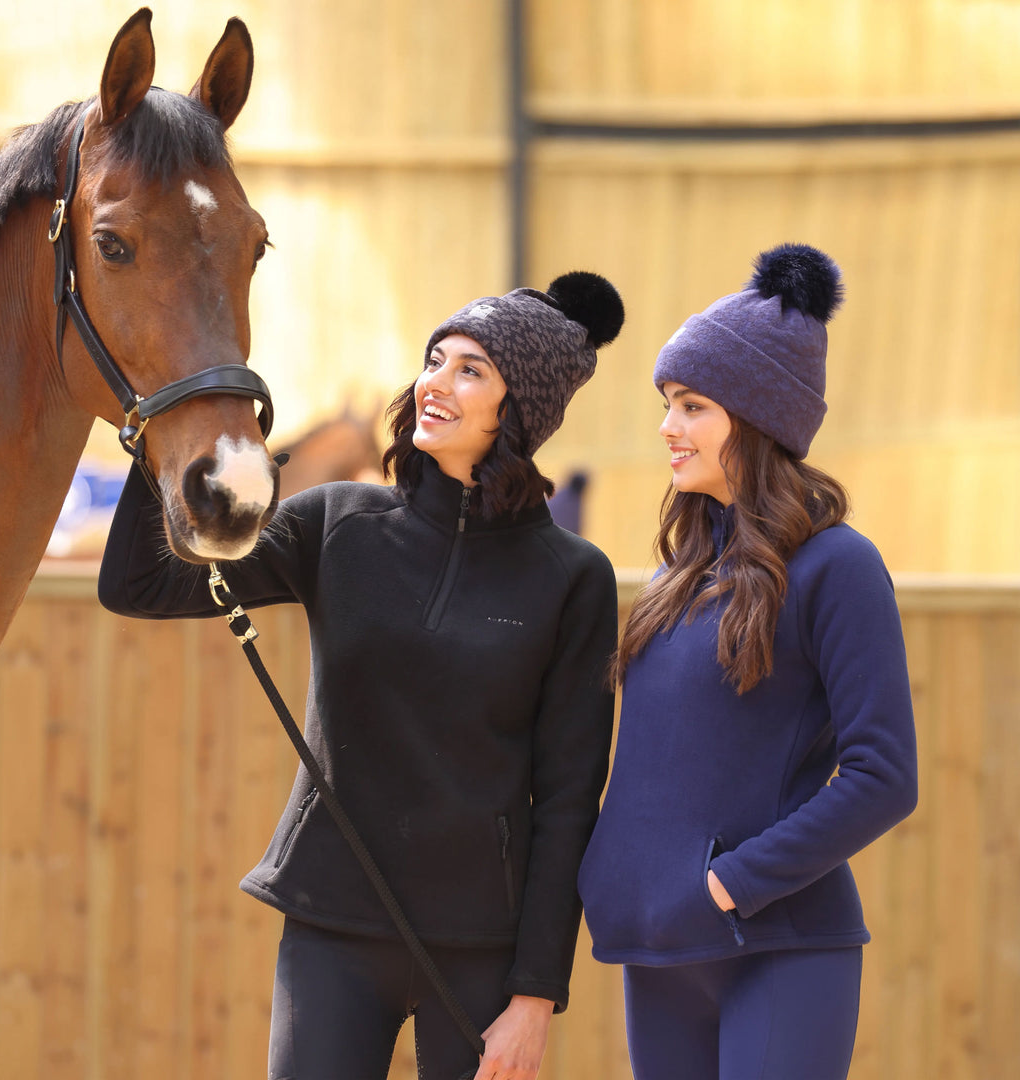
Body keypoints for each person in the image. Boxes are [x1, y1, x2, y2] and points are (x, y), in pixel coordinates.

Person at [98, 271, 624, 1080]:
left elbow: (566, 800)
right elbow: (144, 586)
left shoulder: (572, 577)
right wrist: (160, 434)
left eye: (470, 370)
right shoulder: (337, 523)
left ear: (517, 411)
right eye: (435, 359)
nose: (435, 383)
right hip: (330, 926)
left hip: (481, 947)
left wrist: (535, 998)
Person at [577, 244, 919, 1080]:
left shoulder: (840, 566)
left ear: (757, 418)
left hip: (783, 950)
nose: (668, 427)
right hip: (661, 955)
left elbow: (884, 776)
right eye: (668, 403)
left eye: (692, 405)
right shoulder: (674, 577)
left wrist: (729, 884)